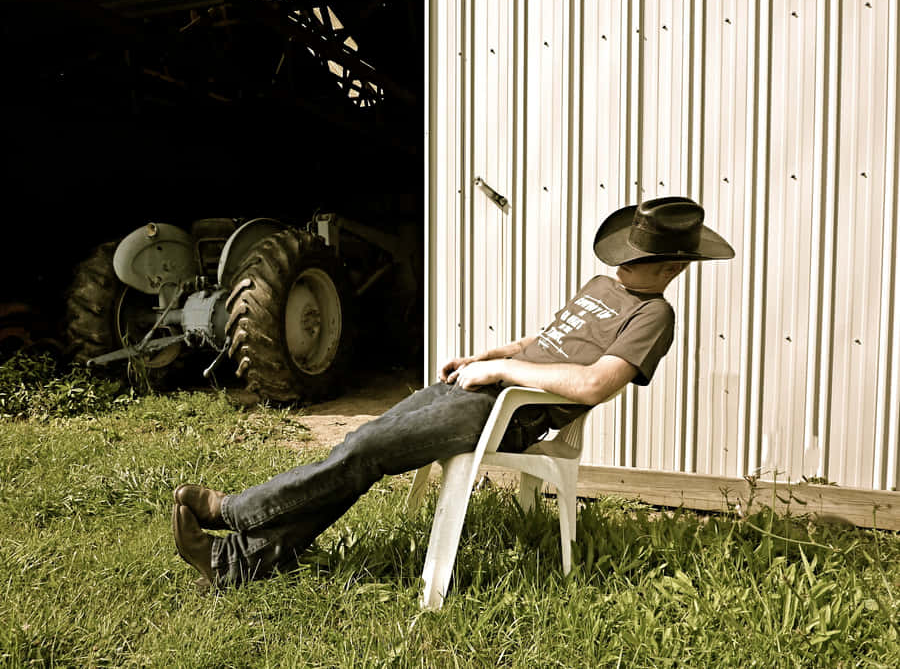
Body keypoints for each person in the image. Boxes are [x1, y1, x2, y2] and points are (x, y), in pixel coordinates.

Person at [172, 196, 734, 589]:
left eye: (636, 255)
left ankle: (235, 512)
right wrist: (488, 356)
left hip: (509, 413)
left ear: (668, 266)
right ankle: (236, 565)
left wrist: (501, 378)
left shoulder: (653, 315)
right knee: (365, 445)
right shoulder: (603, 287)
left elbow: (592, 383)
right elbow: (549, 340)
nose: (622, 262)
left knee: (364, 452)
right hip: (489, 389)